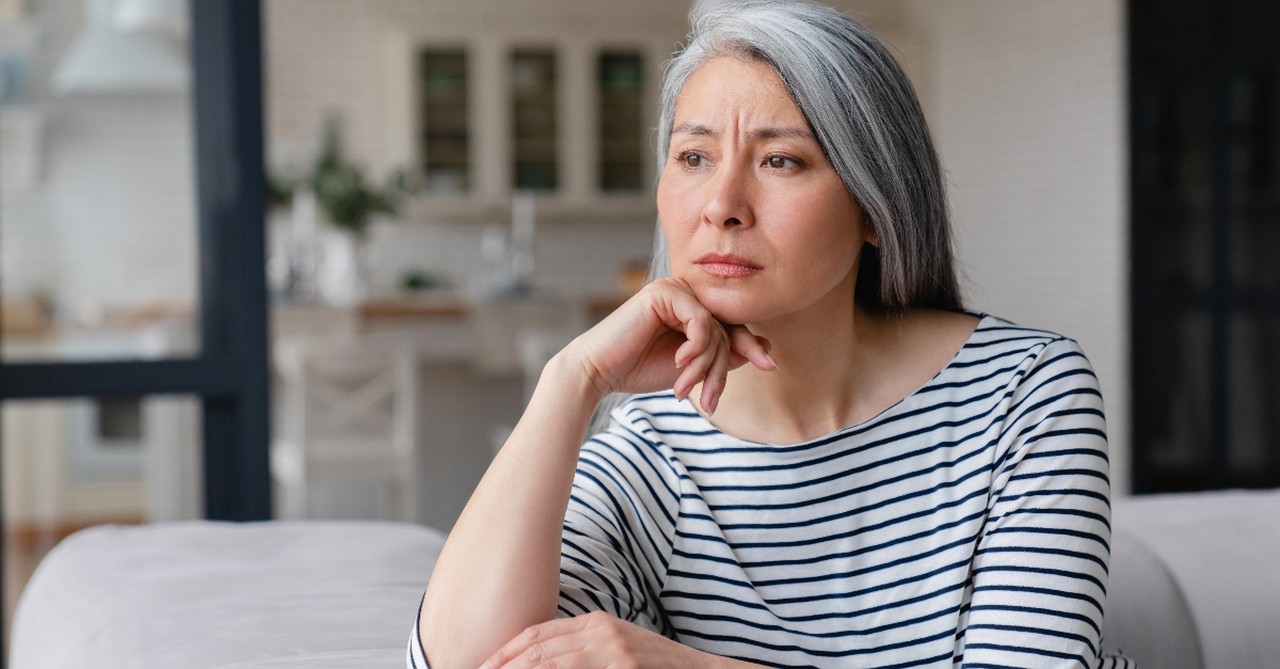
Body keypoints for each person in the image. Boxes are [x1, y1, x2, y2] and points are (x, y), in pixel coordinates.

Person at [411, 1, 1135, 667]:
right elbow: (467, 660)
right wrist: (571, 381)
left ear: (875, 207)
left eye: (780, 160)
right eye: (694, 157)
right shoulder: (654, 455)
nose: (722, 204)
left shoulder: (1025, 392)